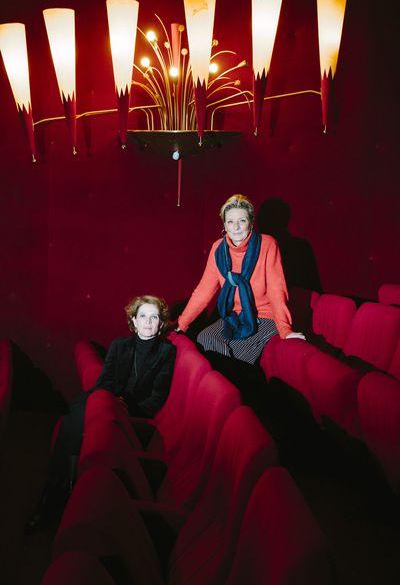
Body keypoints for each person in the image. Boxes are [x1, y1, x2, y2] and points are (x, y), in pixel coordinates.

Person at [27, 294, 176, 532]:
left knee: (70, 423)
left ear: (161, 323)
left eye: (154, 317)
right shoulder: (120, 345)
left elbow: (156, 397)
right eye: (143, 316)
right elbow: (105, 381)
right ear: (134, 321)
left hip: (132, 412)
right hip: (108, 401)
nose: (148, 322)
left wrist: (125, 405)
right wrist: (109, 399)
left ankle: (56, 496)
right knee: (74, 417)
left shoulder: (166, 352)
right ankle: (65, 488)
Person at [177, 194, 305, 366]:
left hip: (265, 316)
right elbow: (203, 292)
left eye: (242, 221)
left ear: (251, 222)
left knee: (235, 353)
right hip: (234, 316)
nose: (236, 227)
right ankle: (227, 382)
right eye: (230, 222)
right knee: (204, 338)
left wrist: (285, 329)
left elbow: (277, 290)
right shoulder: (218, 249)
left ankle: (232, 385)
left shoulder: (267, 244)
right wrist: (181, 324)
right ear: (224, 225)